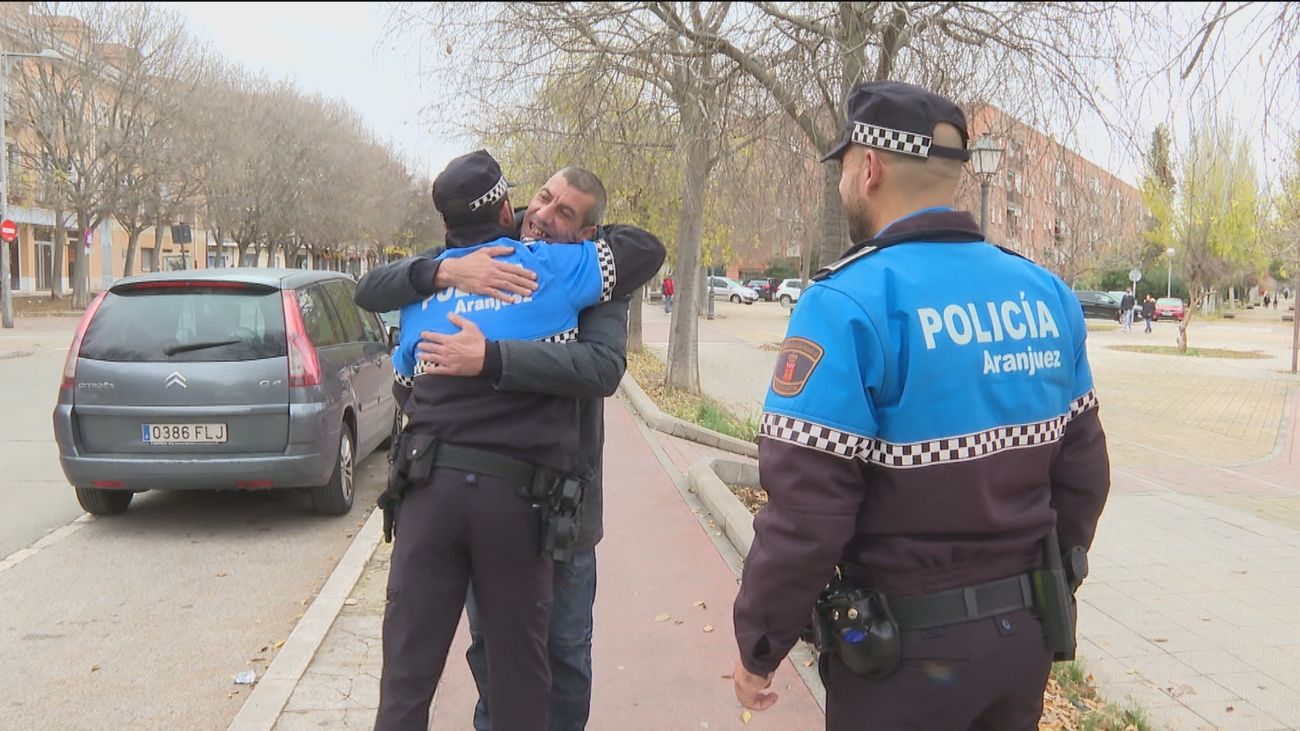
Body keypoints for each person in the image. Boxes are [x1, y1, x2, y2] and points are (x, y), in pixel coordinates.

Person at [730, 81, 1111, 730]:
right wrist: (1048, 585)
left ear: (869, 168)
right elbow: (1084, 476)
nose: (843, 184)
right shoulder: (1047, 295)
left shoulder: (846, 302)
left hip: (901, 657)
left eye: (843, 169)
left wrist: (759, 643)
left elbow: (806, 512)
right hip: (1023, 641)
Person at [372, 150, 664, 731]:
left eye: (565, 212)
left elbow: (602, 368)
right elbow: (377, 287)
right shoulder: (476, 260)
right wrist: (446, 273)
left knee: (559, 654)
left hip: (561, 503)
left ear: (588, 233)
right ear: (511, 206)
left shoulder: (581, 270)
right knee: (502, 659)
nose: (545, 215)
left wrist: (489, 359)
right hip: (507, 499)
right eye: (543, 198)